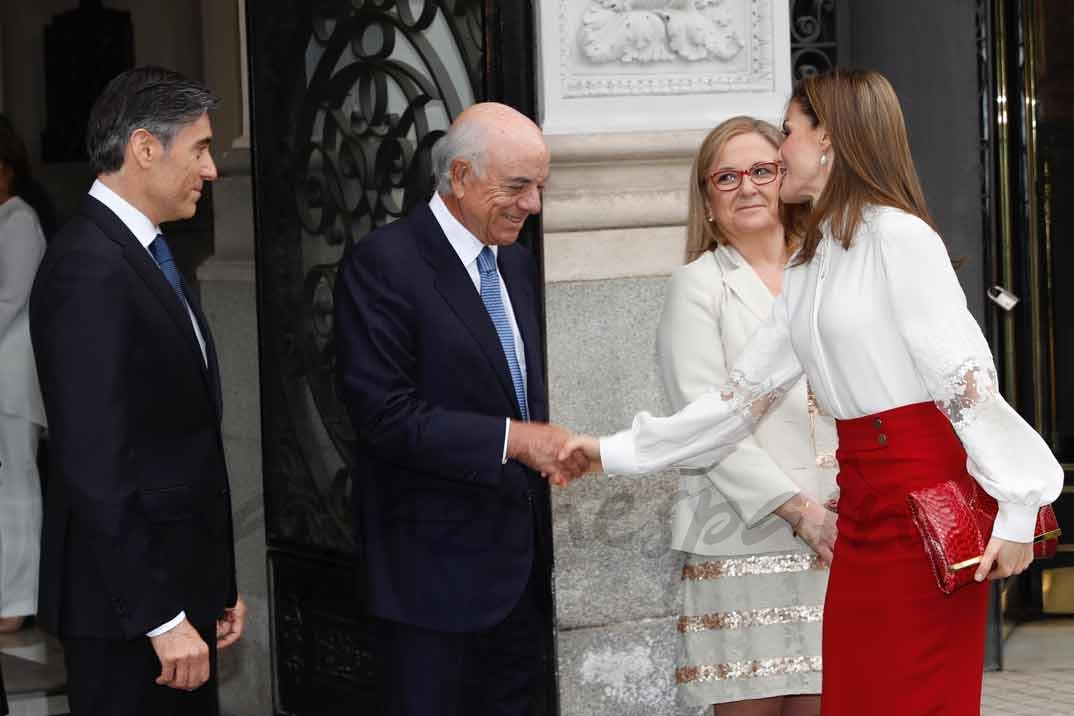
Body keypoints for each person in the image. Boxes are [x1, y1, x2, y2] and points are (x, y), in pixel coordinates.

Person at [561, 68, 1063, 714]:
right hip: (861, 520)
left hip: (922, 521)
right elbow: (735, 406)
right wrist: (611, 452)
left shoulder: (902, 239)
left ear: (830, 140)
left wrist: (1019, 509)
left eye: (789, 132)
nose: (778, 151)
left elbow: (967, 383)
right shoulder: (812, 260)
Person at [334, 102, 587, 716]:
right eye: (518, 186)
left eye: (540, 187)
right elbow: (384, 415)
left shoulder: (519, 266)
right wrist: (513, 440)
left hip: (520, 580)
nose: (533, 205)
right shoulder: (384, 265)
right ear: (462, 177)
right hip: (430, 583)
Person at [29, 66, 246, 716]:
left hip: (178, 591)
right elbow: (97, 461)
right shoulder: (88, 266)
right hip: (129, 612)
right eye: (201, 149)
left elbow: (179, 436)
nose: (211, 171)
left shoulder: (140, 249)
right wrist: (159, 617)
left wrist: (214, 584)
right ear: (146, 148)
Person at [660, 116, 837, 715]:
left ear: (784, 179)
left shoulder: (831, 268)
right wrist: (800, 512)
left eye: (763, 170)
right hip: (741, 537)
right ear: (708, 199)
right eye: (727, 176)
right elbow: (702, 423)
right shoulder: (697, 286)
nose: (748, 187)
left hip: (841, 535)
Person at [0, 119, 48, 634]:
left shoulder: (20, 221)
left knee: (17, 484)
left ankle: (18, 599)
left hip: (11, 375)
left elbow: (10, 299)